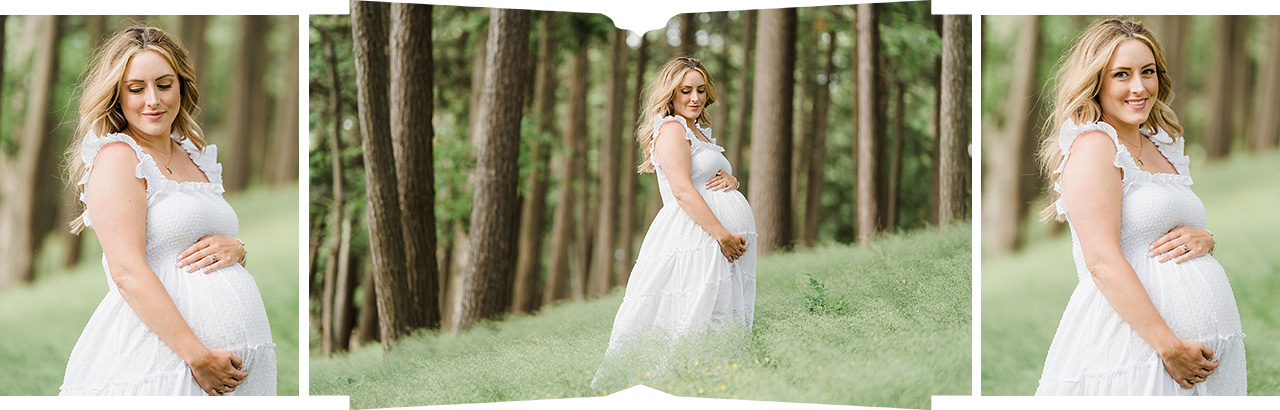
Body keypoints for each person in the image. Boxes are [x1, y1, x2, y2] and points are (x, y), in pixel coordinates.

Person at [59, 26, 276, 396]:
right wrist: (198, 357)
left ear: (181, 86)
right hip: (168, 363)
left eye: (163, 84)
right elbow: (126, 271)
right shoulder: (118, 159)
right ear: (117, 96)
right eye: (136, 88)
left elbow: (194, 247)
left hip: (229, 366)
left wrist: (238, 250)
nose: (153, 100)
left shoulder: (193, 153)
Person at [1034, 17, 1245, 395]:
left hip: (1191, 358)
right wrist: (1170, 347)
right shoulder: (1095, 146)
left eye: (1147, 72)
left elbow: (1163, 228)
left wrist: (1206, 239)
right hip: (1137, 351)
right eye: (1121, 74)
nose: (1139, 87)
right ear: (1096, 81)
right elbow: (1100, 260)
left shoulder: (1161, 145)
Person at [590, 56, 756, 392]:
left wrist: (731, 180)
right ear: (670, 94)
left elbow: (702, 175)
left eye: (700, 90)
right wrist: (722, 234)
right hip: (696, 238)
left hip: (712, 240)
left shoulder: (697, 132)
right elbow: (681, 190)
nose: (694, 98)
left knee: (718, 317)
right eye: (685, 91)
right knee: (692, 316)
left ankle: (712, 388)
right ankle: (672, 389)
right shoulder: (671, 128)